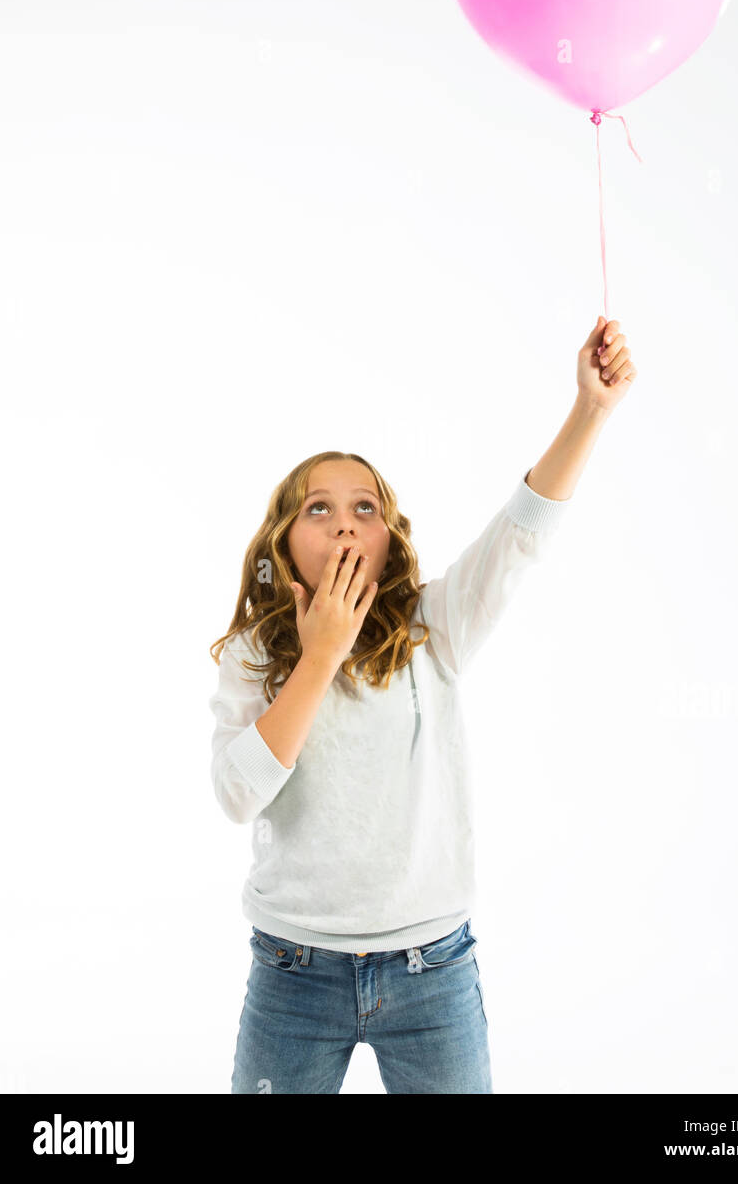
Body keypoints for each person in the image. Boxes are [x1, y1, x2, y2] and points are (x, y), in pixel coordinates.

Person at [209, 315, 637, 1094]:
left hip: (431, 971)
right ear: (283, 539)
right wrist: (320, 656)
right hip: (293, 971)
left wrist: (591, 409)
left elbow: (520, 533)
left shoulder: (432, 627)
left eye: (364, 508)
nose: (345, 520)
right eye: (318, 508)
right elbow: (238, 796)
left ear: (388, 538)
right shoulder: (251, 654)